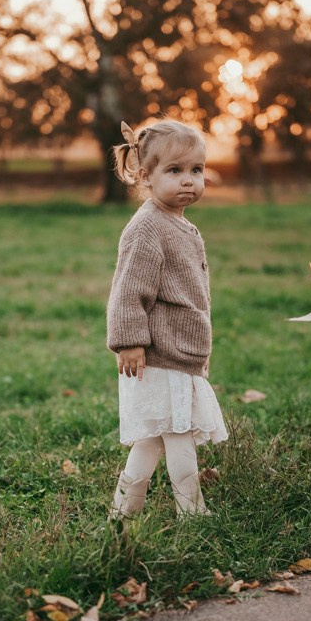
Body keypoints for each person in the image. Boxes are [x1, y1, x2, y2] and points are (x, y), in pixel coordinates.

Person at [106, 119, 228, 519]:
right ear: (145, 175)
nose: (189, 180)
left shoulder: (179, 224)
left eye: (196, 170)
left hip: (178, 354)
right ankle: (193, 513)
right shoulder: (147, 229)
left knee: (153, 440)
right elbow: (128, 290)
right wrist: (129, 341)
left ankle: (125, 510)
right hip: (159, 357)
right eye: (174, 171)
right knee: (178, 439)